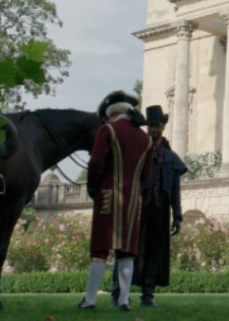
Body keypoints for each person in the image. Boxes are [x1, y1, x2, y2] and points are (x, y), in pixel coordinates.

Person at [78, 91, 153, 311]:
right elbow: (146, 174)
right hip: (133, 200)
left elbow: (96, 164)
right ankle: (124, 299)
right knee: (127, 250)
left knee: (100, 249)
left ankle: (90, 299)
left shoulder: (108, 130)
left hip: (108, 196)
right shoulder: (146, 138)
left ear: (114, 114)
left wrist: (93, 188)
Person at [111, 105, 188, 308]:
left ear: (163, 127)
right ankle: (117, 292)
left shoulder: (171, 158)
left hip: (160, 211)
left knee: (154, 253)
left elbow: (175, 190)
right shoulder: (139, 152)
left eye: (158, 126)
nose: (155, 130)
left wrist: (177, 216)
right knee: (127, 249)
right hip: (137, 208)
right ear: (148, 128)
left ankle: (147, 295)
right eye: (151, 126)